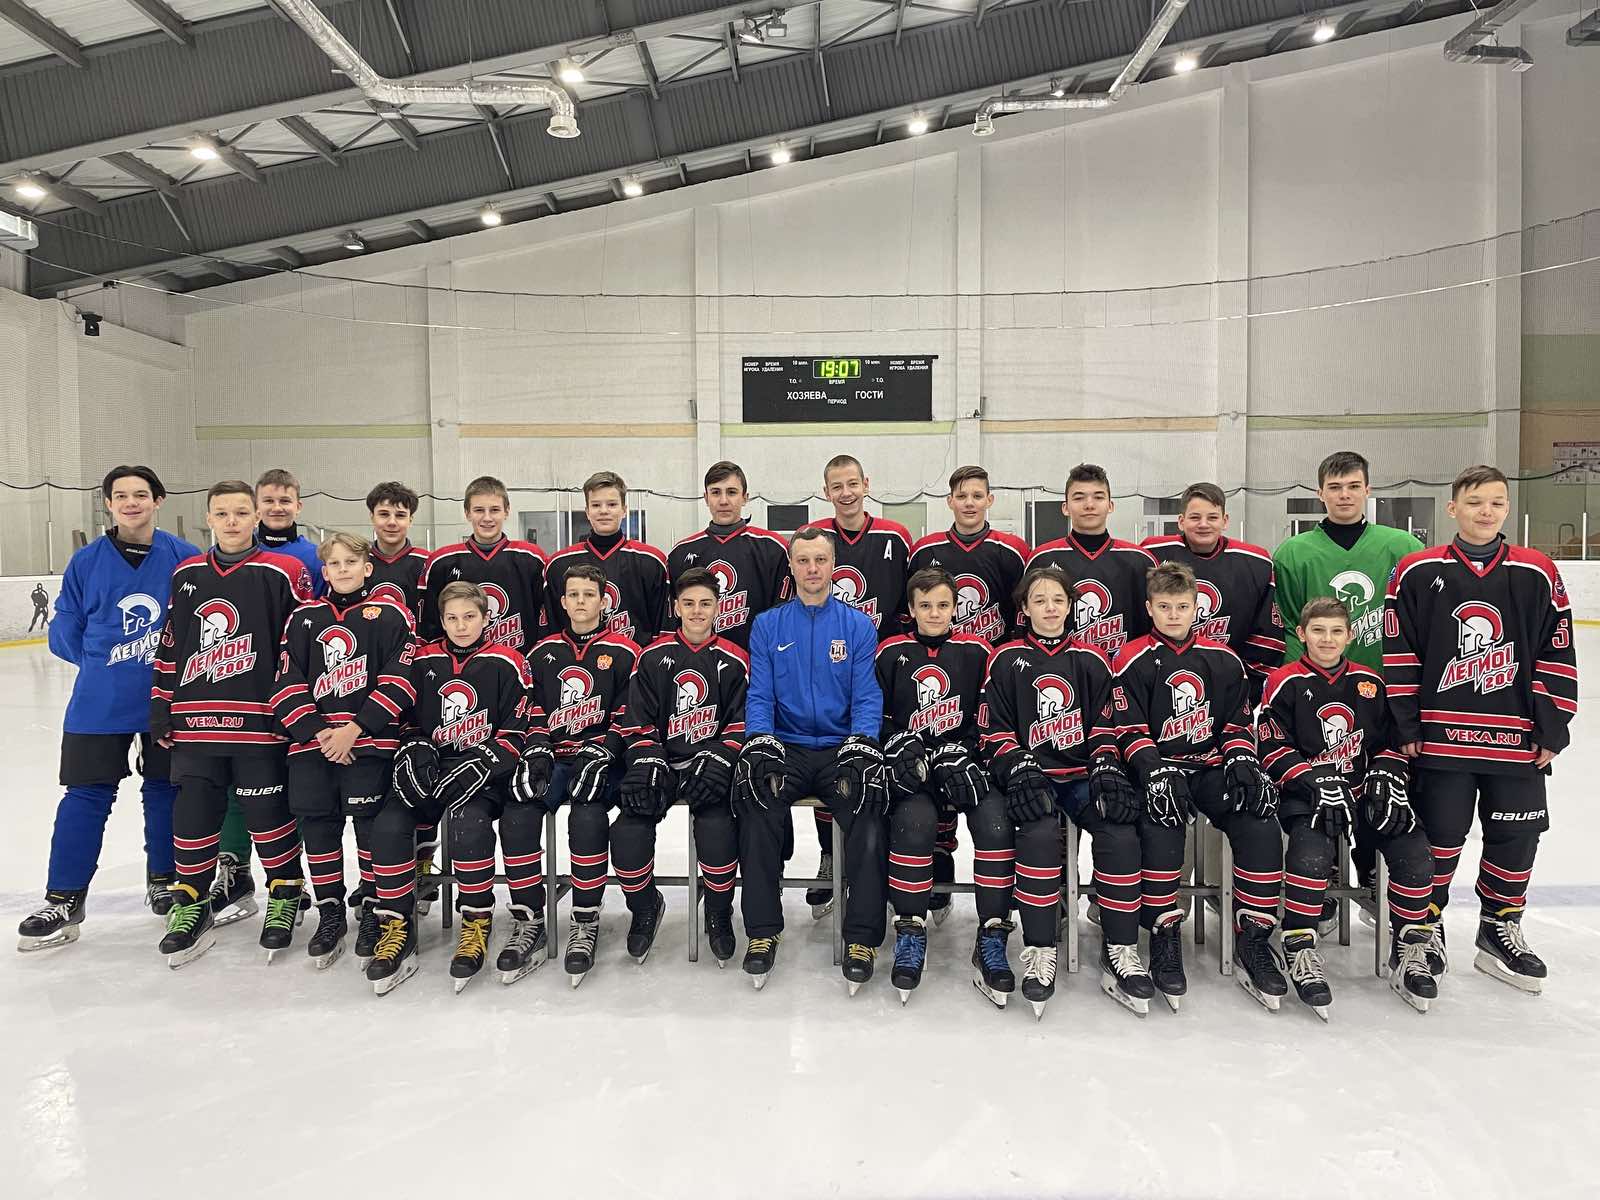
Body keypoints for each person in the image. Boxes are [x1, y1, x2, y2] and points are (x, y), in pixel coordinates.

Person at [1384, 464, 1577, 994]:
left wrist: (1551, 728)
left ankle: (1498, 927)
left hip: (1515, 737)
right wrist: (1406, 724)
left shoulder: (1537, 571)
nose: (1485, 511)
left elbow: (1557, 648)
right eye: (1474, 502)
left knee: (1517, 834)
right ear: (1453, 508)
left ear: (1507, 508)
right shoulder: (1416, 570)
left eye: (1495, 502)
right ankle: (1420, 930)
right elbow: (1400, 653)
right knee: (1438, 837)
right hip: (1440, 737)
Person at [16, 466, 201, 952]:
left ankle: (165, 880)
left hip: (170, 700)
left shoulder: (185, 557)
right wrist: (104, 666)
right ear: (109, 503)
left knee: (166, 790)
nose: (131, 502)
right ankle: (64, 897)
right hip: (99, 703)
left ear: (158, 500)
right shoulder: (86, 561)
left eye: (141, 494)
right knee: (85, 794)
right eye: (121, 495)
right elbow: (65, 629)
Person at [148, 480, 314, 968]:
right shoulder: (187, 573)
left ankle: (284, 894)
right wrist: (161, 704)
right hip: (194, 723)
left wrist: (293, 711)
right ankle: (191, 903)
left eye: (241, 512)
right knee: (193, 814)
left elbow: (300, 648)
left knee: (268, 814)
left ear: (255, 516)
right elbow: (172, 643)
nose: (232, 521)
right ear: (209, 519)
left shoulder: (285, 571)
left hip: (260, 722)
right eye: (222, 513)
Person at [1113, 562, 1287, 1012]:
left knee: (1259, 822)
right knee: (1162, 827)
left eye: (1182, 606)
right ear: (1149, 608)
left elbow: (1236, 723)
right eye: (1164, 607)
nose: (1173, 615)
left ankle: (1253, 937)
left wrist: (1242, 758)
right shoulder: (1130, 658)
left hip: (1209, 769)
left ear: (1197, 608)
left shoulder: (1223, 659)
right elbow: (1128, 728)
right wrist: (1153, 771)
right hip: (1157, 770)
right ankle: (1164, 933)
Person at [978, 565, 1144, 1019]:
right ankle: (1039, 946)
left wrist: (1106, 764)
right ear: (1024, 609)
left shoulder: (1092, 658)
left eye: (1058, 600)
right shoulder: (1005, 658)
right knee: (1037, 834)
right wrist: (1019, 766)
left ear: (1071, 606)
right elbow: (993, 728)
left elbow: (1107, 722)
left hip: (1081, 776)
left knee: (1119, 830)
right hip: (1032, 775)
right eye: (1039, 600)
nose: (1049, 608)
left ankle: (1121, 946)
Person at [1258, 598, 1437, 1016]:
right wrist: (1312, 780)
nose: (1327, 639)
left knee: (1413, 849)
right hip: (1307, 795)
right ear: (1301, 634)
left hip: (1361, 792)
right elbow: (1270, 745)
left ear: (1350, 636)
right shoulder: (1283, 681)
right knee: (1311, 854)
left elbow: (1391, 742)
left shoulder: (1369, 682)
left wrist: (1387, 771)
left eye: (1336, 631)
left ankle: (1409, 945)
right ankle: (1300, 944)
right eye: (1318, 630)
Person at [736, 527, 885, 992]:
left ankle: (861, 937)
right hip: (789, 746)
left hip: (842, 747)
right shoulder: (769, 625)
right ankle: (762, 931)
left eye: (820, 559)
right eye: (803, 560)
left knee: (869, 811)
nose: (813, 569)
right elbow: (760, 693)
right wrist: (760, 740)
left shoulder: (858, 626)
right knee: (757, 805)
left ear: (833, 565)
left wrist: (863, 742)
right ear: (791, 566)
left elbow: (867, 695)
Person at [365, 581, 532, 994]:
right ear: (441, 620)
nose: (461, 626)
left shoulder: (508, 661)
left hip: (482, 775)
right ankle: (396, 926)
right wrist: (414, 746)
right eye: (452, 618)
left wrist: (487, 760)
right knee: (387, 826)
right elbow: (405, 717)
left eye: (470, 617)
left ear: (486, 617)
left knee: (469, 825)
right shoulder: (422, 659)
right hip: (430, 770)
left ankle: (476, 920)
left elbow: (518, 729)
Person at [271, 533, 417, 970]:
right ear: (325, 571)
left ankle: (372, 907)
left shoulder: (390, 615)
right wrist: (320, 732)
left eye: (351, 562)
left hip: (368, 743)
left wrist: (354, 729)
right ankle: (330, 910)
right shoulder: (304, 617)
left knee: (369, 827)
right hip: (313, 746)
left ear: (367, 567)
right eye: (334, 564)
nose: (343, 570)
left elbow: (400, 679)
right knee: (319, 827)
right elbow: (286, 681)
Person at [875, 567, 1007, 1005]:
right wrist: (897, 743)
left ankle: (992, 935)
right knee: (913, 825)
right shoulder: (891, 651)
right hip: (914, 770)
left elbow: (990, 716)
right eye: (925, 605)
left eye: (943, 605)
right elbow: (877, 715)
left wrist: (966, 750)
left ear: (956, 608)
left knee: (995, 826)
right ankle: (910, 930)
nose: (934, 613)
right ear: (911, 610)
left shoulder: (978, 651)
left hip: (964, 766)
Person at [609, 568, 747, 966]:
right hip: (663, 765)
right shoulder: (652, 656)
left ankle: (718, 911)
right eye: (689, 603)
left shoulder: (736, 659)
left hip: (710, 766)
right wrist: (648, 757)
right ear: (676, 608)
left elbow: (743, 720)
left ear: (718, 608)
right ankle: (645, 906)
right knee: (628, 832)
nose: (697, 611)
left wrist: (721, 755)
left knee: (717, 830)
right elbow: (636, 719)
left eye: (705, 603)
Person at [520, 563, 640, 987]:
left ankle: (585, 919)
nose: (581, 601)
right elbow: (531, 707)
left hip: (603, 761)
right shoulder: (541, 652)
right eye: (573, 594)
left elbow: (629, 711)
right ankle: (529, 918)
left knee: (586, 816)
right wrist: (537, 745)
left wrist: (606, 748)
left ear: (604, 600)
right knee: (520, 814)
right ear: (563, 601)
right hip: (555, 759)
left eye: (589, 594)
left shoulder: (625, 651)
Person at [803, 454, 913, 914]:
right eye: (837, 485)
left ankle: (880, 862)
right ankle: (830, 854)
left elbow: (910, 601)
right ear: (825, 490)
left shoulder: (895, 536)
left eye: (852, 483)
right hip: (828, 670)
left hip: (883, 669)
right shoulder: (814, 536)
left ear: (866, 483)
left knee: (877, 764)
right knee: (827, 755)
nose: (846, 492)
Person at [1274, 450, 1421, 673]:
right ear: (1320, 493)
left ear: (1367, 490)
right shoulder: (1292, 553)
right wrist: (1300, 679)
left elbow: (1420, 620)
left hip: (1389, 681)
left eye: (1354, 486)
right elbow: (1288, 626)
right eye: (1334, 487)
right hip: (1317, 682)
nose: (1344, 495)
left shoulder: (1404, 548)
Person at [1143, 481, 1284, 702]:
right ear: (1181, 521)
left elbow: (1266, 636)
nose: (1203, 524)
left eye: (1212, 517)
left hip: (1227, 680)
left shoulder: (1256, 562)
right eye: (1195, 517)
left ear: (1225, 521)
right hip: (1162, 677)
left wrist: (1248, 688)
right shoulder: (1152, 554)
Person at [1028, 463, 1154, 661]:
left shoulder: (1140, 560)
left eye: (1098, 497)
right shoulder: (1042, 558)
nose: (1089, 505)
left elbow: (1154, 629)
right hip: (1062, 671)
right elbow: (1027, 628)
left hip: (1123, 671)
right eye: (1079, 498)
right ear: (1065, 507)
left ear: (1110, 505)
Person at [666, 460, 790, 650]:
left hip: (757, 659)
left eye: (731, 492)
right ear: (706, 498)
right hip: (698, 661)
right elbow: (675, 620)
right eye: (716, 492)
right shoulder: (681, 552)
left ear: (745, 497)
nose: (723, 501)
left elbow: (783, 615)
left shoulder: (773, 548)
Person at [418, 474, 549, 650]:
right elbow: (430, 625)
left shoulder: (531, 558)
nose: (487, 518)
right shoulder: (442, 562)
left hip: (520, 659)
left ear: (506, 511)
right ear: (467, 513)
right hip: (461, 663)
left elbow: (545, 617)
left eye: (494, 510)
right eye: (479, 510)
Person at [907, 465, 1029, 646]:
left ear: (989, 500)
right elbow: (912, 607)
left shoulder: (1014, 549)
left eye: (977, 496)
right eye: (961, 496)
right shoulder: (925, 550)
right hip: (940, 655)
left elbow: (1025, 608)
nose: (969, 503)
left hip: (996, 653)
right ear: (950, 501)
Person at [545, 470, 670, 644]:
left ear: (624, 510)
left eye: (612, 504)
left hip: (637, 658)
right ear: (587, 511)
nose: (604, 511)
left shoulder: (651, 561)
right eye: (596, 505)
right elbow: (553, 630)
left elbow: (662, 628)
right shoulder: (559, 564)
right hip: (578, 659)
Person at [365, 480, 429, 617]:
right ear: (372, 517)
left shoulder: (428, 563)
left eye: (400, 515)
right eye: (384, 514)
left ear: (410, 520)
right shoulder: (358, 561)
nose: (392, 522)